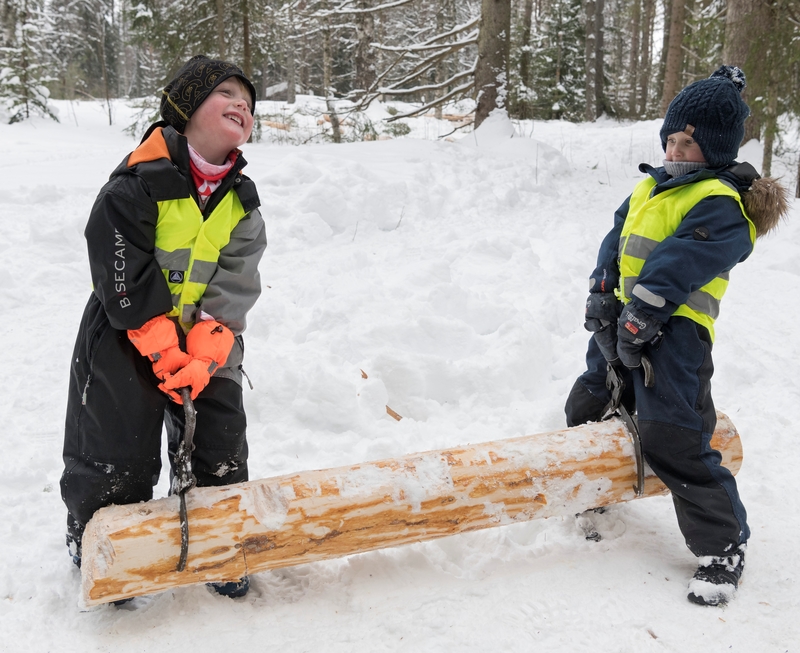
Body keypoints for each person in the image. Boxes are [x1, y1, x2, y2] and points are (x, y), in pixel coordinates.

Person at [565, 66, 787, 607]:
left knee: (673, 436)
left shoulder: (720, 202)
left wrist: (646, 315)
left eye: (687, 142)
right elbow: (615, 240)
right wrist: (601, 290)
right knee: (588, 403)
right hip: (623, 319)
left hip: (677, 333)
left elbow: (679, 262)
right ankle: (594, 488)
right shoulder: (649, 186)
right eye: (670, 138)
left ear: (713, 148)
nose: (674, 148)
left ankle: (722, 548)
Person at [60, 55, 267, 599]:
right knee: (115, 451)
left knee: (220, 443)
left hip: (206, 341)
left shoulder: (242, 202)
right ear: (185, 109)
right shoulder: (135, 185)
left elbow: (238, 276)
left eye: (247, 101)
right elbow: (121, 269)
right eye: (226, 92)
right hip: (126, 333)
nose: (241, 104)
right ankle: (105, 553)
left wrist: (205, 350)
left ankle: (219, 543)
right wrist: (161, 348)